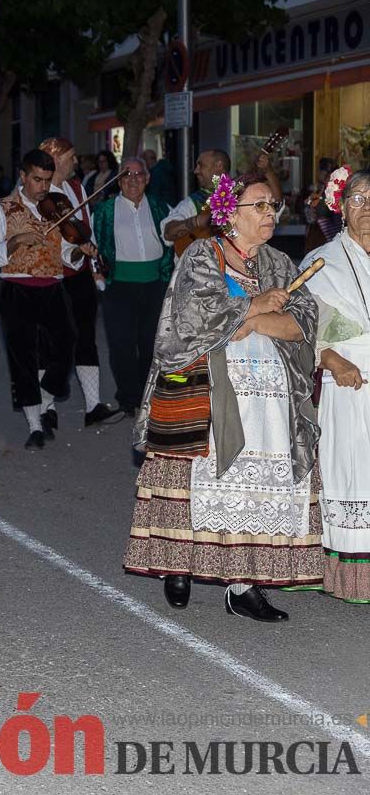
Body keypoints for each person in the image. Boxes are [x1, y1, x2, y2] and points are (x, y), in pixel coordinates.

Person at [125, 173, 322, 621]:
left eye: (273, 205)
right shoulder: (202, 254)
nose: (270, 213)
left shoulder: (279, 262)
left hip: (268, 401)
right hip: (205, 391)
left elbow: (303, 322)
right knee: (195, 478)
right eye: (259, 206)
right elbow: (193, 317)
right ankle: (179, 565)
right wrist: (254, 307)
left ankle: (243, 586)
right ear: (230, 214)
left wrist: (251, 322)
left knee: (252, 490)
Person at [0, 149, 88, 448]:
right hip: (17, 287)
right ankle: (35, 425)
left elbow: (66, 252)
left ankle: (44, 397)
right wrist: (15, 241)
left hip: (52, 285)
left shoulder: (57, 208)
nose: (43, 187)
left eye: (47, 180)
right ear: (23, 176)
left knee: (67, 344)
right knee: (23, 357)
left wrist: (81, 251)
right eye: (37, 180)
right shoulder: (1, 209)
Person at [300, 166, 370, 603]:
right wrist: (331, 359)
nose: (368, 209)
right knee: (353, 474)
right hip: (347, 387)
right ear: (343, 209)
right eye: (359, 199)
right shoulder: (320, 263)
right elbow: (301, 327)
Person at [40, 137, 118, 427]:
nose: (75, 161)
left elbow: (84, 228)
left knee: (86, 337)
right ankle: (46, 407)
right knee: (51, 342)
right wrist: (74, 251)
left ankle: (93, 405)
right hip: (51, 276)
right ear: (55, 158)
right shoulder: (40, 191)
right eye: (70, 157)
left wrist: (94, 262)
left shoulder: (76, 187)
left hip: (80, 274)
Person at [93, 157, 174, 416]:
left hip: (154, 285)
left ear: (147, 179)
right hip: (119, 286)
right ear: (118, 180)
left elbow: (177, 244)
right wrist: (99, 280)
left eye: (139, 174)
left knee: (151, 344)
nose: (133, 180)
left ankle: (146, 395)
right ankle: (128, 399)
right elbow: (90, 251)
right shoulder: (104, 211)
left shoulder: (163, 208)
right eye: (126, 175)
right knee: (121, 345)